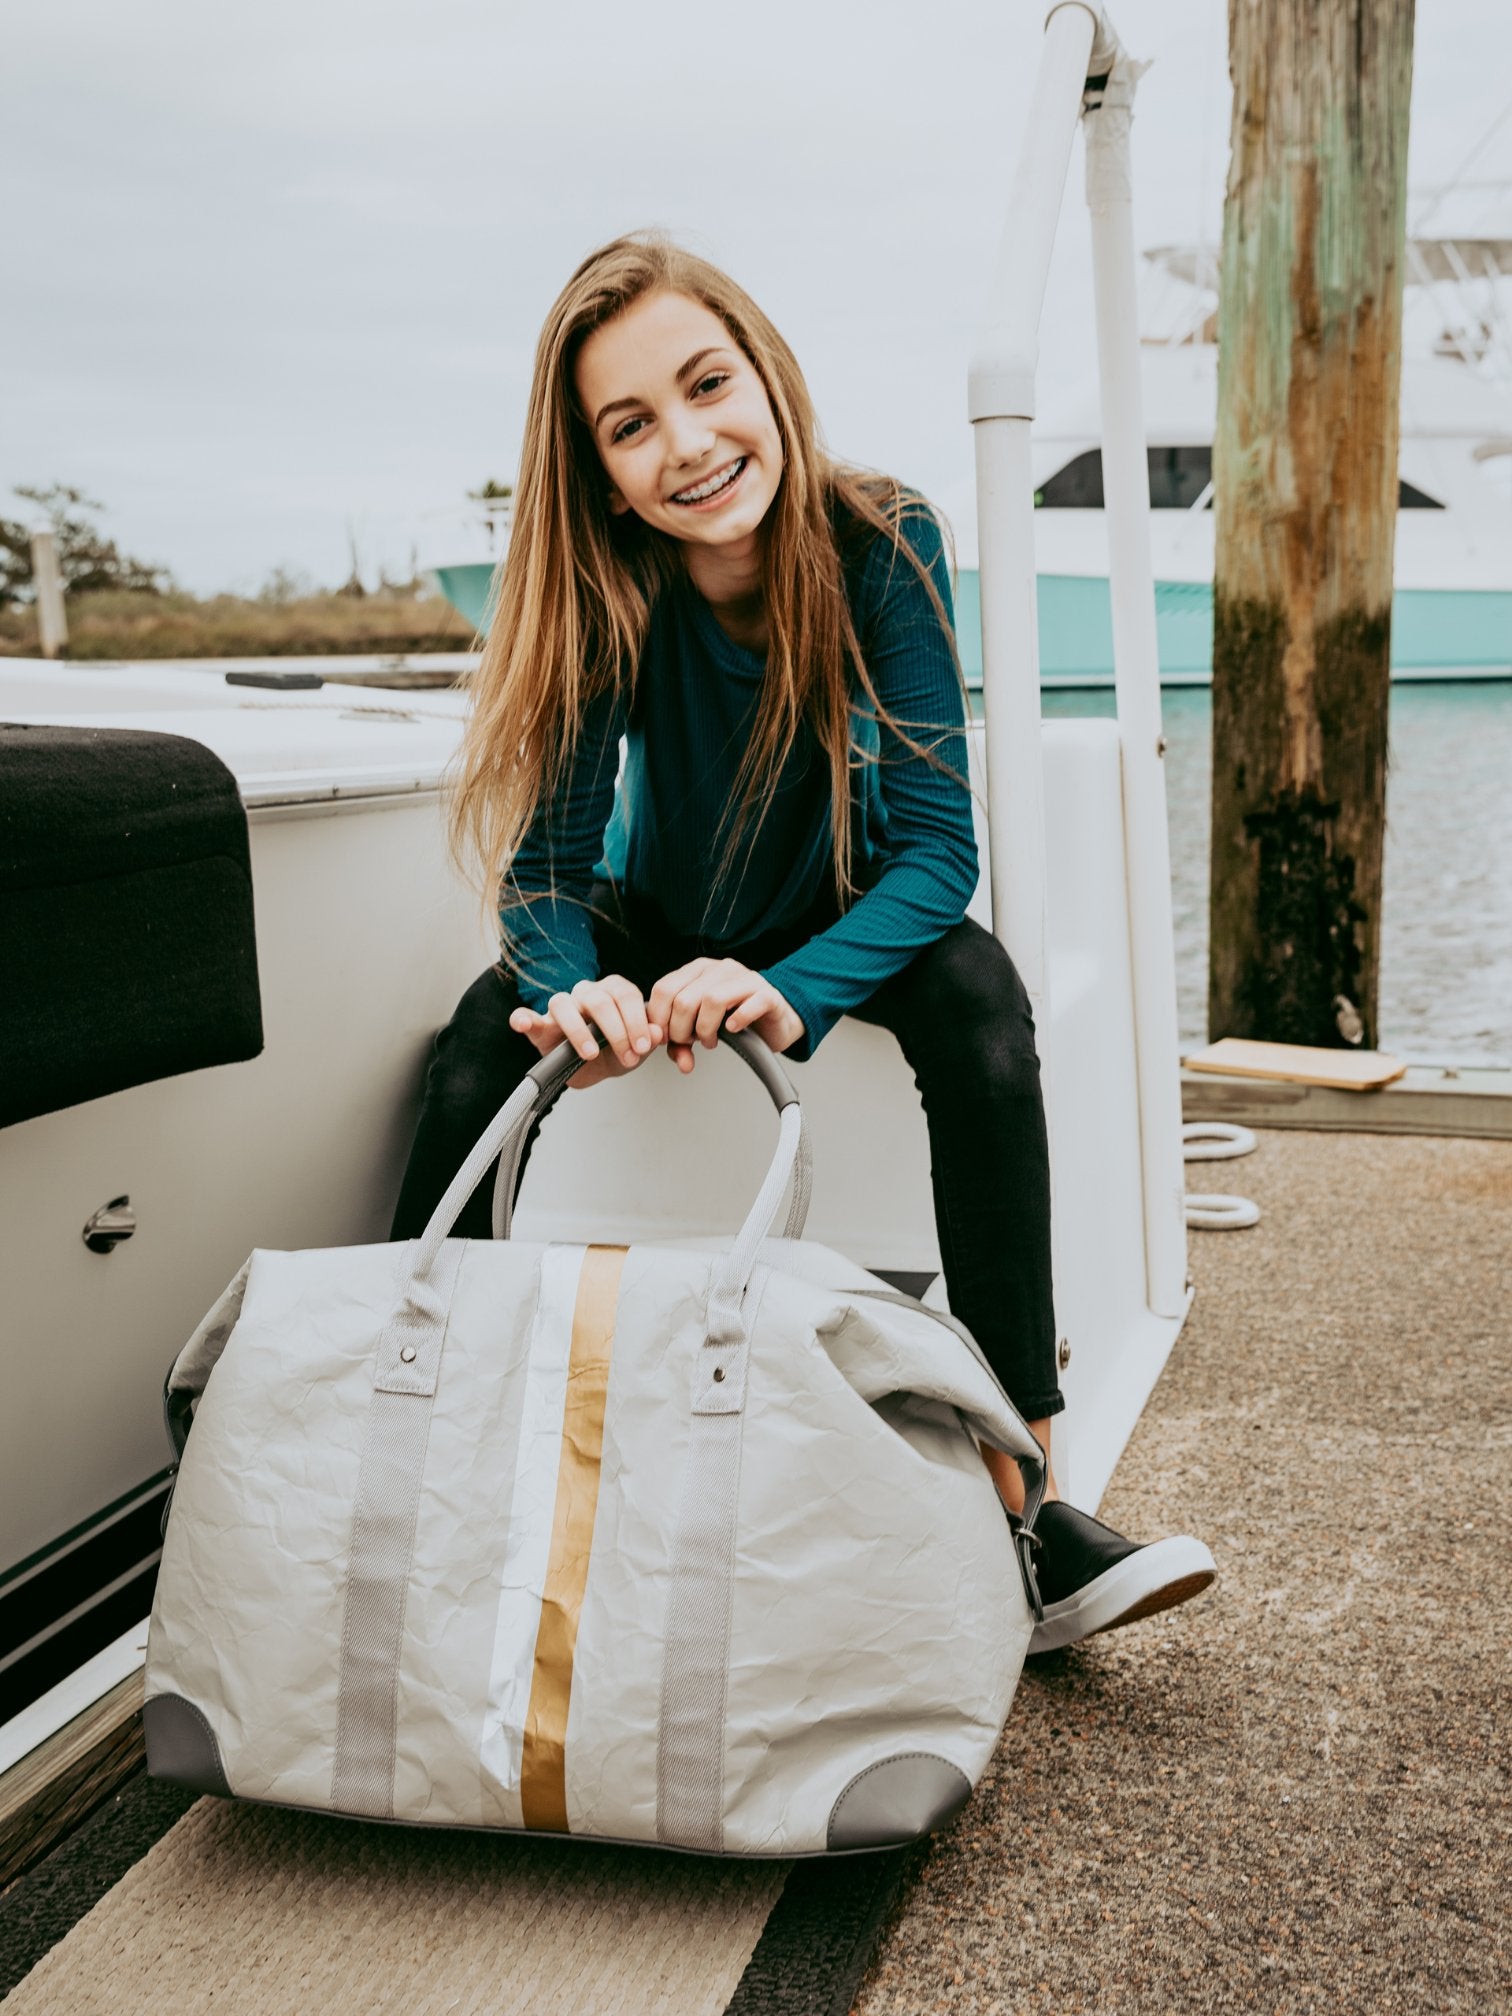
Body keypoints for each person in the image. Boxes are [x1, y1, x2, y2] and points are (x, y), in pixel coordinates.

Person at [390, 230, 1215, 1653]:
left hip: (830, 912)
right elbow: (546, 873)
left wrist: (777, 989)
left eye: (709, 384)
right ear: (599, 470)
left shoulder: (881, 537)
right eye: (632, 426)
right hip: (652, 926)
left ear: (767, 374)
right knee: (477, 1043)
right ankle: (398, 1443)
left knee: (982, 1005)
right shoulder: (613, 587)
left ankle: (1033, 1503)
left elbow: (938, 856)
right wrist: (577, 991)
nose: (689, 444)